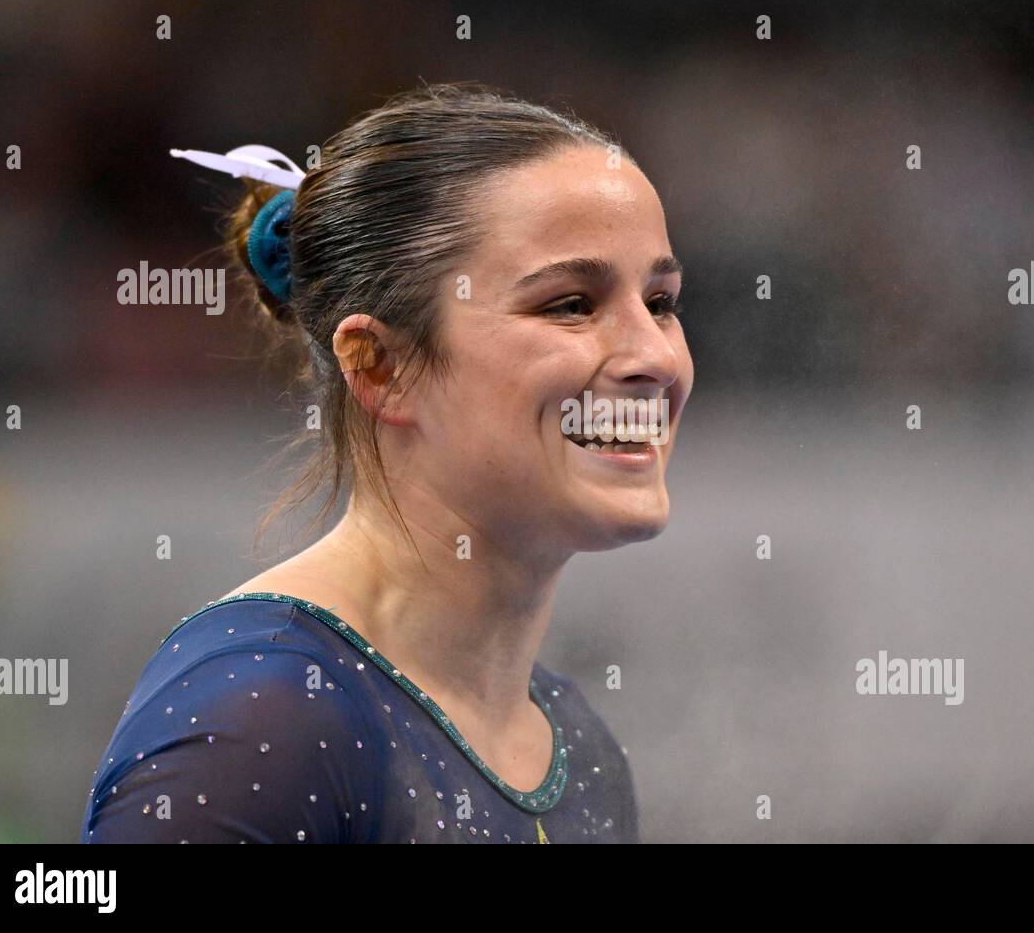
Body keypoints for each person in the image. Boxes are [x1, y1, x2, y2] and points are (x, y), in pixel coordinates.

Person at [80, 82, 693, 843]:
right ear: (379, 367)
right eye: (570, 304)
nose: (654, 355)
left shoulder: (581, 750)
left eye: (661, 301)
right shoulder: (262, 717)